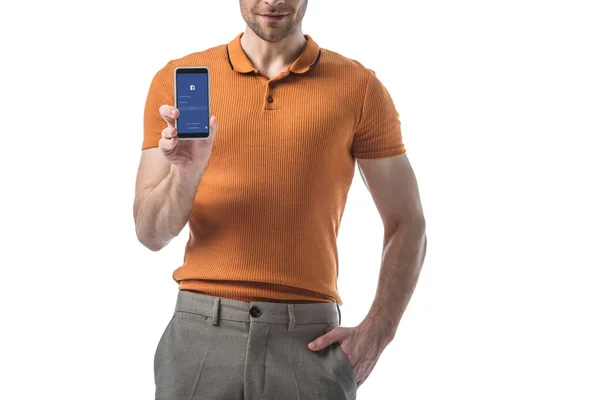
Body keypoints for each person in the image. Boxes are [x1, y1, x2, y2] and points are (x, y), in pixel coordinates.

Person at [134, 0, 427, 398]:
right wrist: (185, 173)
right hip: (199, 337)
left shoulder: (360, 88)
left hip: (309, 344)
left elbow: (408, 222)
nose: (272, 1)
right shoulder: (176, 81)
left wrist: (378, 331)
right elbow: (150, 234)